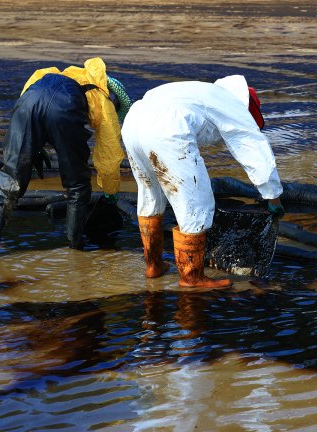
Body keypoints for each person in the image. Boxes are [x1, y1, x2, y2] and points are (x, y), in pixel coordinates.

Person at [121, 75, 284, 289]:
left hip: (133, 123)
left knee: (150, 194)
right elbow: (254, 150)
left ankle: (154, 266)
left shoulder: (201, 91)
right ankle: (192, 278)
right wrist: (273, 197)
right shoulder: (233, 105)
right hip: (168, 127)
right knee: (196, 203)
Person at [0, 57, 131, 257]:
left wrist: (35, 145)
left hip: (28, 102)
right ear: (113, 95)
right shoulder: (104, 101)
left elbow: (29, 96)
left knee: (10, 182)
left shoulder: (52, 72)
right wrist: (111, 193)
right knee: (77, 185)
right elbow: (109, 154)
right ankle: (76, 250)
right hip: (65, 108)